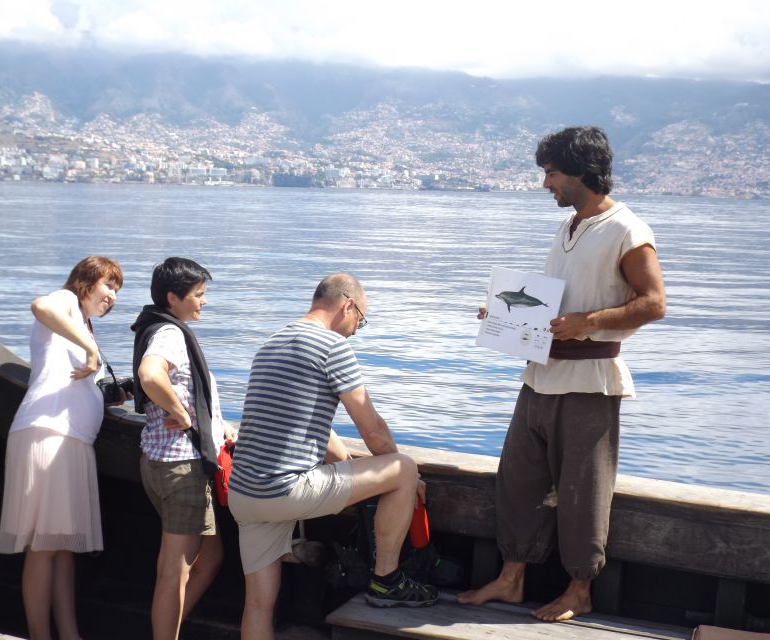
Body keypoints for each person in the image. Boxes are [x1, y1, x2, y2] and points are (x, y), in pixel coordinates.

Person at [457, 126, 666, 621]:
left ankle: (579, 591)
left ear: (580, 172)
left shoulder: (627, 230)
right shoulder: (569, 226)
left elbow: (654, 304)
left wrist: (588, 323)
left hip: (591, 380)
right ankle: (511, 580)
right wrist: (506, 320)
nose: (545, 183)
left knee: (583, 489)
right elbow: (558, 305)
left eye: (551, 173)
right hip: (540, 376)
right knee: (517, 480)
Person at [229, 273, 438, 640]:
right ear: (347, 305)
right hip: (287, 490)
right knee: (403, 468)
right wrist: (407, 478)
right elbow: (373, 430)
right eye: (361, 319)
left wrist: (349, 467)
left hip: (245, 494)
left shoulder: (272, 342)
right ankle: (387, 580)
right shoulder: (332, 347)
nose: (357, 330)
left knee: (258, 605)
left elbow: (311, 423)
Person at [0, 256, 125, 640]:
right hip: (50, 433)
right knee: (44, 547)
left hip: (71, 439)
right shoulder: (67, 302)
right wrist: (89, 348)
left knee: (63, 548)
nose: (113, 296)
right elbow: (41, 305)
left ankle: (69, 634)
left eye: (117, 289)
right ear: (85, 282)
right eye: (108, 286)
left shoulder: (80, 325)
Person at [131, 257, 237, 640]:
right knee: (174, 570)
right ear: (172, 298)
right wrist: (182, 414)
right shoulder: (170, 334)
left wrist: (214, 424)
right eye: (199, 295)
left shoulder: (156, 328)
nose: (204, 302)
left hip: (161, 462)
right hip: (181, 467)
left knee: (210, 557)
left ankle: (168, 629)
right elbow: (149, 375)